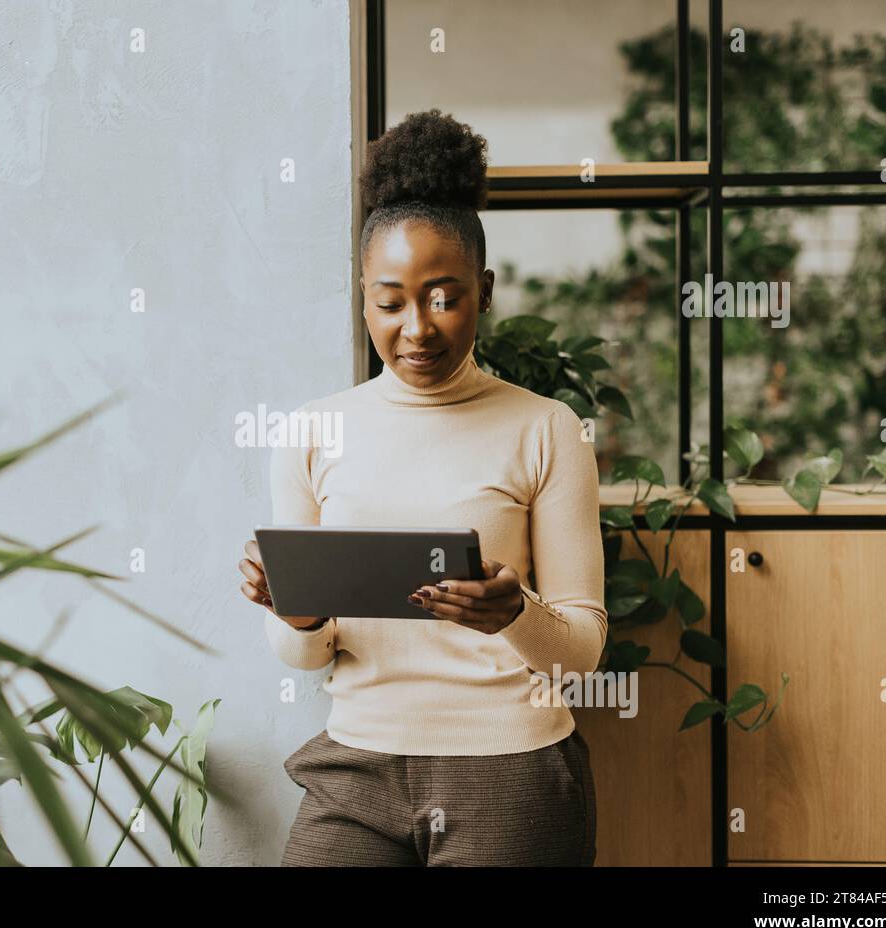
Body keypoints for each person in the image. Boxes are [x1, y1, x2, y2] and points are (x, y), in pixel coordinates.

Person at [238, 108, 608, 866]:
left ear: (486, 289)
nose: (418, 328)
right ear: (364, 296)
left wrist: (515, 613)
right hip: (358, 766)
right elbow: (303, 656)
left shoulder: (546, 428)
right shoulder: (313, 431)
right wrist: (299, 614)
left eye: (445, 297)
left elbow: (582, 654)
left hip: (512, 769)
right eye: (390, 301)